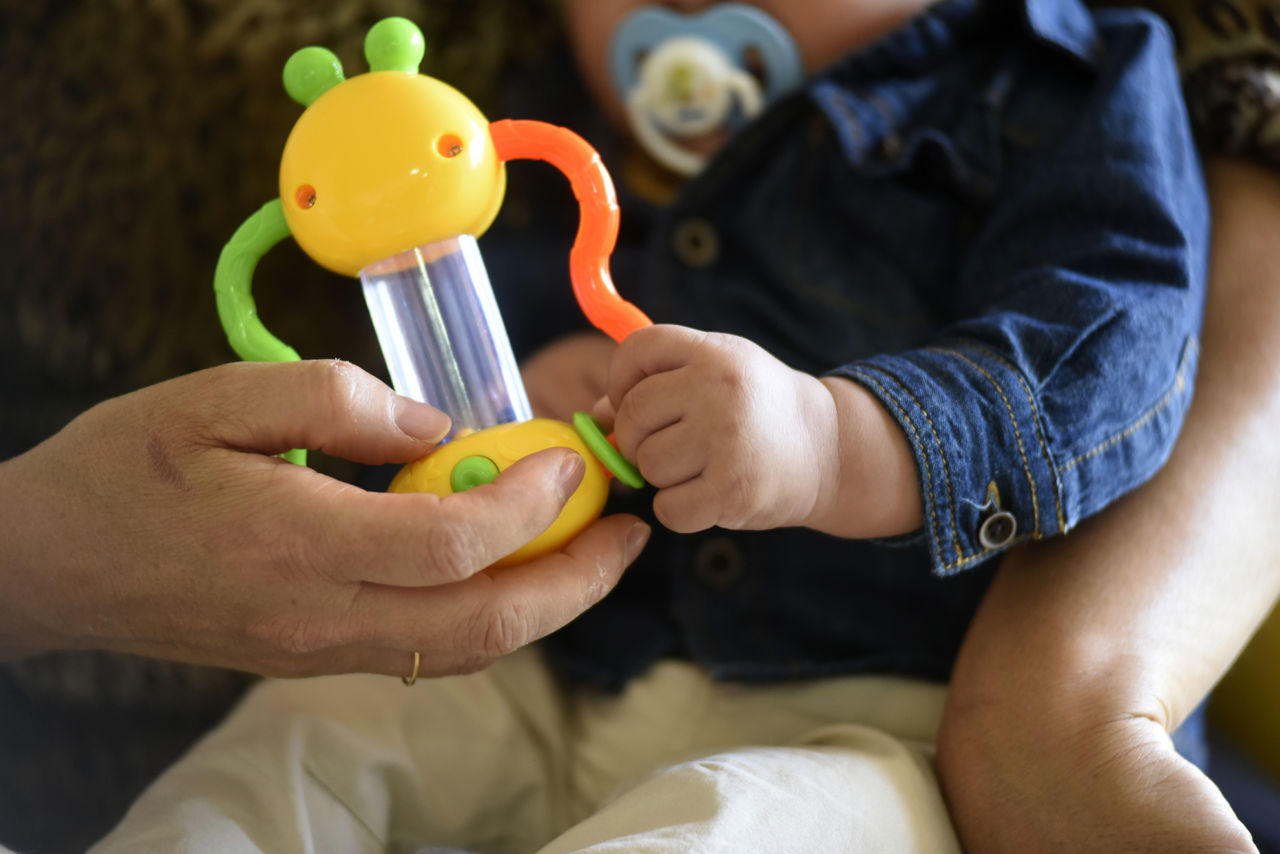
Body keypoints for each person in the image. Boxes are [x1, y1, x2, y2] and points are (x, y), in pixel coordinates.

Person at [89, 0, 1245, 851]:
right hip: (552, 661)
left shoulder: (1055, 82)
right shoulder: (528, 129)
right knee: (296, 741)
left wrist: (837, 437)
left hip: (877, 713)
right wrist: (515, 402)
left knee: (734, 832)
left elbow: (1113, 348)